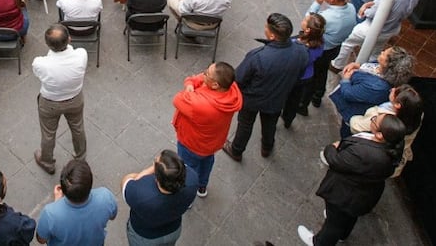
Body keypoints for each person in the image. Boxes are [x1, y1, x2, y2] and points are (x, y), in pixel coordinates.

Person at [297, 114, 407, 246]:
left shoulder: (365, 153)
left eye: (374, 120)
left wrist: (332, 147)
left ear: (380, 135)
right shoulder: (392, 149)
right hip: (363, 195)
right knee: (349, 217)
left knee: (333, 224)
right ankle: (343, 234)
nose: (372, 119)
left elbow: (336, 160)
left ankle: (318, 242)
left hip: (346, 194)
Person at [224, 13, 309, 161]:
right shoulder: (301, 51)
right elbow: (299, 74)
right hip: (277, 98)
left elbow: (239, 79)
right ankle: (267, 147)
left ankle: (237, 150)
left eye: (266, 28)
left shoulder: (258, 56)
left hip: (252, 99)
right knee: (270, 124)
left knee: (245, 124)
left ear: (272, 36)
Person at [332, 0, 422, 68]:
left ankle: (337, 65)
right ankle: (369, 68)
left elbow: (371, 13)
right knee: (376, 51)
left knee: (347, 42)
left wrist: (365, 8)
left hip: (373, 28)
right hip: (392, 28)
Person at [172, 62, 242, 198]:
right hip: (213, 143)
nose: (203, 73)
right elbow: (194, 79)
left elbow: (177, 99)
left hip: (191, 144)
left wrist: (189, 85)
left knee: (187, 170)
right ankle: (202, 187)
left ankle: (188, 196)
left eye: (206, 74)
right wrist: (192, 83)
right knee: (207, 163)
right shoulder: (232, 88)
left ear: (215, 85)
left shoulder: (200, 104)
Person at [32, 24, 88, 175]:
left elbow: (38, 74)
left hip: (49, 103)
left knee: (48, 133)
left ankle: (47, 161)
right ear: (69, 39)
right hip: (75, 99)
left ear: (47, 44)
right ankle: (80, 159)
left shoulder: (40, 63)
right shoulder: (81, 55)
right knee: (78, 128)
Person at [330, 46, 415, 138]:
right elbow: (369, 67)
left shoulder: (377, 87)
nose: (382, 52)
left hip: (354, 114)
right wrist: (358, 66)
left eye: (384, 54)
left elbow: (348, 93)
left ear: (387, 64)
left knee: (346, 134)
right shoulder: (381, 66)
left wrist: (346, 79)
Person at [302, 0, 357, 114]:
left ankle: (303, 102)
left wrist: (317, 3)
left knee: (311, 74)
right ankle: (318, 96)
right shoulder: (351, 8)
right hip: (335, 48)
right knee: (322, 71)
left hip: (321, 50)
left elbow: (307, 23)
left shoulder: (327, 17)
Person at [121, 150, 198, 245]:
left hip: (145, 237)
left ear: (157, 177)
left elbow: (127, 179)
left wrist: (149, 170)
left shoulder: (140, 194)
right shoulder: (193, 180)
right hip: (173, 230)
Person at [348, 84, 424, 177]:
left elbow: (355, 126)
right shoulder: (416, 115)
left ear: (397, 105)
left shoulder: (381, 119)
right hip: (392, 160)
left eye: (395, 92)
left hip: (371, 159)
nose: (392, 90)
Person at [35, 159, 116, 245]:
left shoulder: (50, 213)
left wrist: (57, 203)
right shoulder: (106, 197)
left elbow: (41, 239)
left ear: (63, 188)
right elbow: (112, 216)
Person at [281, 13, 327, 128]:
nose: (303, 20)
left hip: (293, 75)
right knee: (295, 99)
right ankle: (288, 119)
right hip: (306, 76)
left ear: (307, 30)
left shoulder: (297, 46)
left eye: (305, 20)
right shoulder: (320, 44)